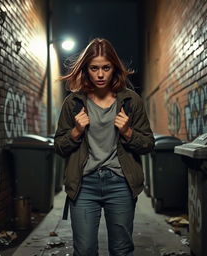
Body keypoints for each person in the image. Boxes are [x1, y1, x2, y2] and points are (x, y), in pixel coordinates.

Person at [54, 38, 154, 256]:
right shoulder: (73, 104)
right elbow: (59, 147)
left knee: (121, 250)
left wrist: (128, 132)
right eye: (94, 68)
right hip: (84, 185)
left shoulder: (131, 101)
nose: (100, 74)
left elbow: (148, 143)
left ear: (114, 68)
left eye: (106, 68)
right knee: (85, 250)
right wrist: (75, 132)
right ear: (86, 69)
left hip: (120, 183)